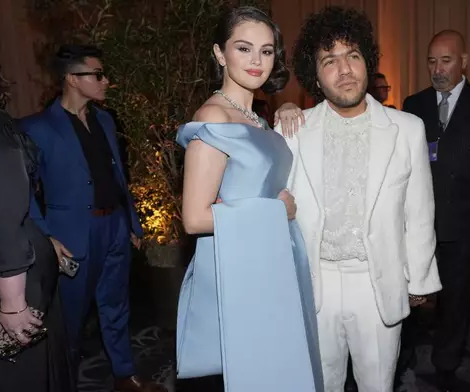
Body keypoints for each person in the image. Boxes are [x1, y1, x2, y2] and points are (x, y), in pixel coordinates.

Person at [277, 6, 441, 392]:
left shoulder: (406, 129)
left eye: (353, 55)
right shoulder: (294, 131)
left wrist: (418, 278)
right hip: (317, 282)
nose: (344, 69)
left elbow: (419, 210)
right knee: (320, 384)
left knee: (378, 384)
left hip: (378, 281)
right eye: (329, 60)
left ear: (367, 60)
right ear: (314, 75)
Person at [174, 6, 323, 392]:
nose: (257, 61)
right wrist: (277, 211)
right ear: (220, 54)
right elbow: (194, 218)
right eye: (244, 48)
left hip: (268, 256)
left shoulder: (255, 116)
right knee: (247, 371)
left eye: (267, 50)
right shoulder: (213, 117)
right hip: (237, 266)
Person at [19, 45, 163, 392]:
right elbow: (21, 189)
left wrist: (131, 221)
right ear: (72, 78)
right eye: (97, 75)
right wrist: (46, 236)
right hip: (69, 237)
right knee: (69, 321)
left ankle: (124, 375)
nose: (106, 81)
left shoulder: (105, 119)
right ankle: (64, 383)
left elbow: (116, 173)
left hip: (113, 227)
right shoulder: (35, 128)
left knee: (117, 307)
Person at [401, 30, 470, 391]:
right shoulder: (413, 104)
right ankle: (403, 356)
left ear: (464, 61)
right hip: (417, 222)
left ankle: (446, 364)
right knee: (410, 295)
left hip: (464, 222)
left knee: (455, 298)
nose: (437, 68)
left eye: (446, 60)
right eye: (431, 61)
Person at [0, 33, 75, 392]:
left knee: (12, 376)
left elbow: (2, 212)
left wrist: (13, 305)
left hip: (0, 275)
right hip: (7, 264)